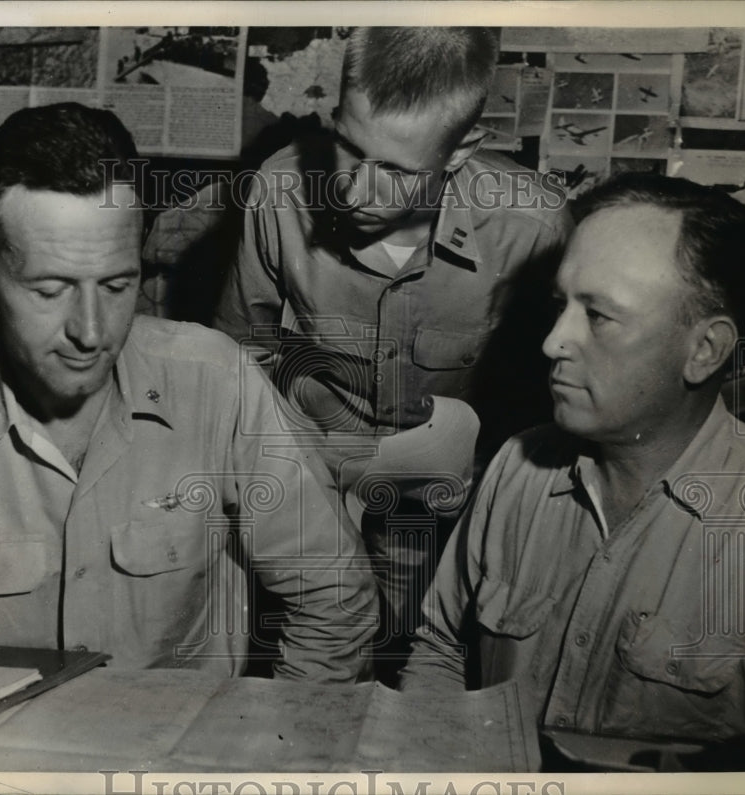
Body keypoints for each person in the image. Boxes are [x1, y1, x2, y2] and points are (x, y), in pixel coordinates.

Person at [0, 103, 378, 760]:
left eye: (117, 283)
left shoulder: (215, 382)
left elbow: (335, 594)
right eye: (51, 288)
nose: (93, 331)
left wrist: (271, 745)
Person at [213, 27, 573, 680]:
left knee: (419, 698)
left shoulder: (534, 230)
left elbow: (544, 414)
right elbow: (242, 356)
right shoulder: (279, 191)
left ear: (464, 148)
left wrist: (471, 483)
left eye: (398, 171)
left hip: (446, 527)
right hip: (308, 502)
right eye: (350, 150)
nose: (354, 191)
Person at [399, 173, 745, 770]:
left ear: (705, 350)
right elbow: (439, 652)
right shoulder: (517, 466)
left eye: (599, 316)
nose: (554, 342)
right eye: (561, 306)